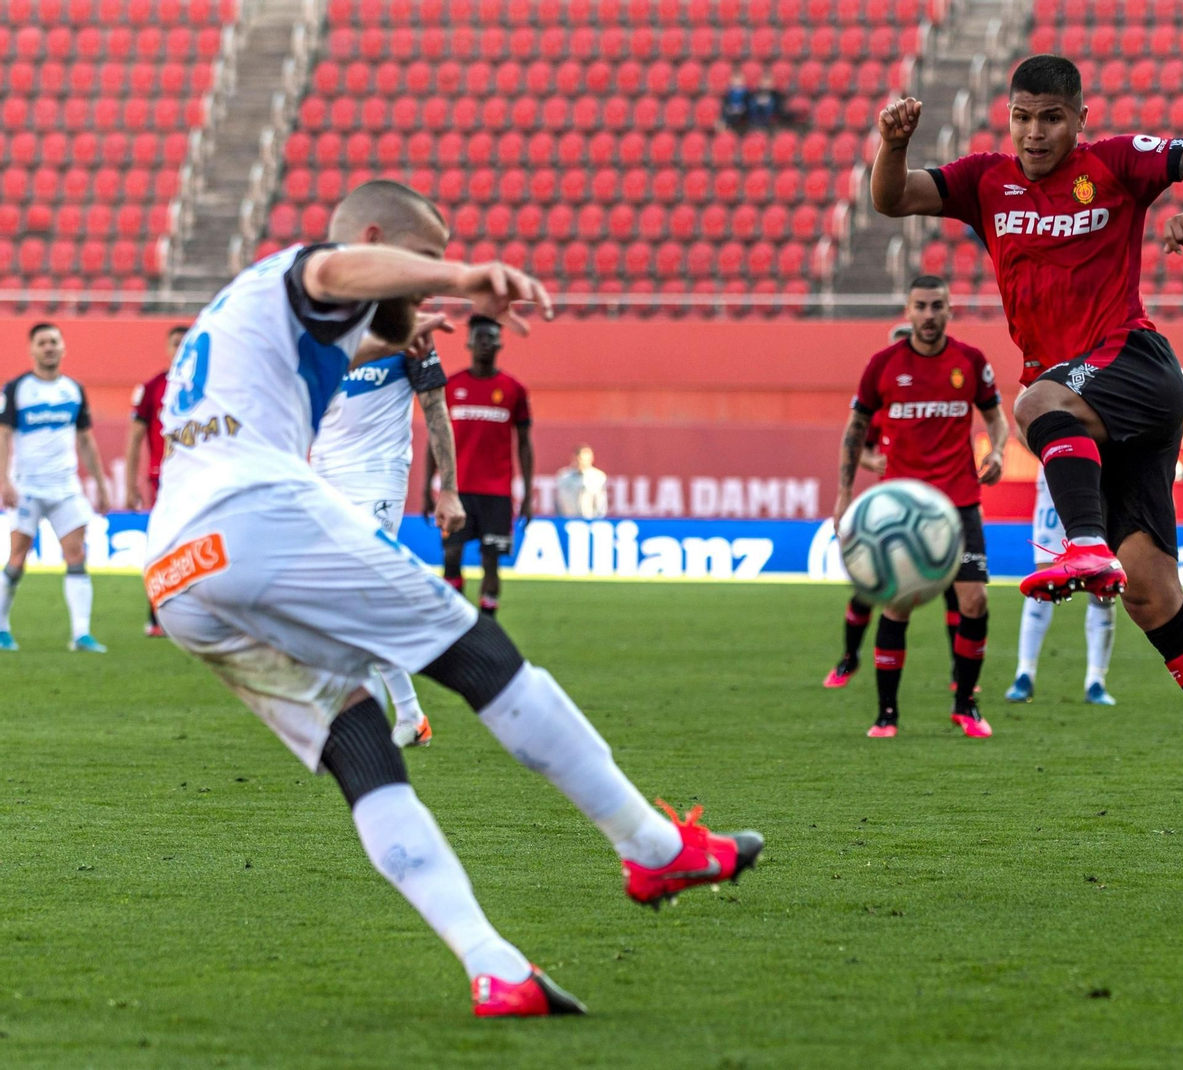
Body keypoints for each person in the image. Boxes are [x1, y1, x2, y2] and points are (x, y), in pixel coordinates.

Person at [144, 179, 763, 1016]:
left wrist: (403, 324)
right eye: (423, 259)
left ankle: (493, 966)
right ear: (373, 241)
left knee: (357, 737)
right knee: (476, 651)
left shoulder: (250, 321)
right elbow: (331, 272)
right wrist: (471, 274)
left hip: (179, 569)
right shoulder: (306, 269)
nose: (431, 280)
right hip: (256, 519)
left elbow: (342, 339)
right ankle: (653, 847)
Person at [870, 55, 1183, 851]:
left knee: (1034, 401)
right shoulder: (985, 181)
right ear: (1010, 116)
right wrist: (892, 143)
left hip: (1132, 362)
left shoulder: (1114, 164)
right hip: (1090, 403)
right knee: (1150, 594)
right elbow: (892, 198)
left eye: (1051, 119)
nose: (1035, 134)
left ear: (1079, 119)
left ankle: (1084, 544)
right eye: (1023, 117)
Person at [830, 275, 1009, 739]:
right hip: (899, 508)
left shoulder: (970, 361)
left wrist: (998, 451)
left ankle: (965, 705)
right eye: (921, 307)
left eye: (938, 306)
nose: (929, 315)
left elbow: (995, 417)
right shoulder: (883, 365)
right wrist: (845, 493)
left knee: (975, 599)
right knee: (897, 605)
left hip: (960, 502)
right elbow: (855, 431)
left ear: (950, 310)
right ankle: (886, 714)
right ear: (907, 312)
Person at [310, 325, 466, 750]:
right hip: (322, 474)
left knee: (355, 588)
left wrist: (448, 490)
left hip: (378, 477)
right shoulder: (330, 334)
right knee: (337, 599)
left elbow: (436, 410)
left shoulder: (409, 335)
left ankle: (378, 711)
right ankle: (410, 714)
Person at [0, 323, 111, 653]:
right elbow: (4, 436)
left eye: (53, 342)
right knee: (17, 559)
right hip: (28, 487)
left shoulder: (74, 390)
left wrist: (102, 485)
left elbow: (86, 441)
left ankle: (81, 635)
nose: (48, 348)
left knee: (76, 555)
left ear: (63, 348)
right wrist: (4, 479)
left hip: (65, 487)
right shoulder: (17, 389)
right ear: (32, 350)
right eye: (42, 343)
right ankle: (2, 627)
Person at [430, 316, 533, 619]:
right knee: (451, 556)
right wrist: (427, 487)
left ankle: (487, 625)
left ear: (500, 343)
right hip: (456, 490)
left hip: (497, 493)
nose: (486, 342)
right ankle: (456, 619)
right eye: (480, 337)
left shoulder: (514, 389)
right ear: (469, 342)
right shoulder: (452, 386)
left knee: (491, 561)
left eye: (491, 337)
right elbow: (436, 438)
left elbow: (524, 443)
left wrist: (526, 495)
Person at [1004, 462, 1118, 706]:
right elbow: (1025, 431)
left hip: (1100, 480)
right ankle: (1024, 674)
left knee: (1102, 583)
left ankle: (1096, 681)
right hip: (1055, 477)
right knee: (1043, 582)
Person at [126, 324, 188, 637]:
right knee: (163, 544)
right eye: (175, 343)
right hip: (163, 479)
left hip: (201, 476)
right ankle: (156, 614)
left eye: (185, 343)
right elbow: (135, 437)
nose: (180, 349)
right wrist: (129, 483)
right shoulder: (153, 387)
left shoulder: (208, 383)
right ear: (167, 348)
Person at [554, 444, 607, 518]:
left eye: (586, 460)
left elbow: (601, 503)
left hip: (590, 521)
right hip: (568, 520)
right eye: (580, 459)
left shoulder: (598, 477)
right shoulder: (564, 476)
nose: (582, 462)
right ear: (575, 458)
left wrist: (597, 520)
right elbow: (558, 501)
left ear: (591, 459)